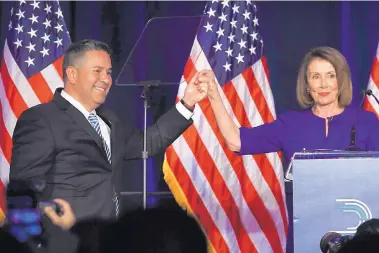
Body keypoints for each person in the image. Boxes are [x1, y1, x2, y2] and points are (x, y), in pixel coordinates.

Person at [9, 39, 209, 252]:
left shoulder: (109, 120)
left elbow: (148, 143)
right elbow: (24, 188)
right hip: (65, 243)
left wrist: (188, 103)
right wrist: (50, 233)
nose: (105, 79)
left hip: (107, 242)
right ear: (72, 74)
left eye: (109, 72)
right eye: (97, 71)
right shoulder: (41, 119)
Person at [199, 46, 379, 162]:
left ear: (341, 81)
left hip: (359, 217)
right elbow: (235, 141)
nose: (323, 84)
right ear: (307, 84)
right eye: (316, 77)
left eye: (330, 76)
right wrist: (214, 95)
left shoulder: (366, 121)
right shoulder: (290, 124)